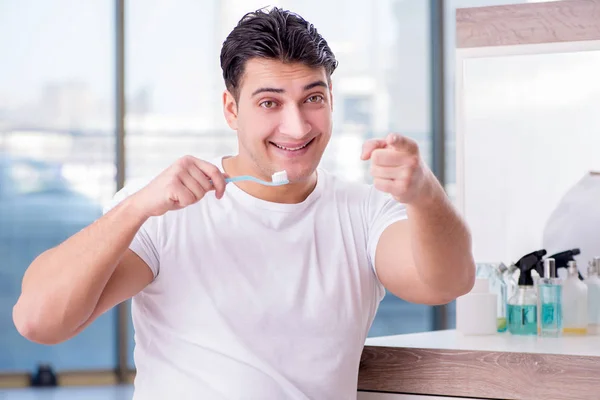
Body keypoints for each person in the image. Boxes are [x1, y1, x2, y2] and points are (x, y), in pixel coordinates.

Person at [13, 7, 475, 400]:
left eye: (312, 98)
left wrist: (425, 195)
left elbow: (444, 284)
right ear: (231, 109)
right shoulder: (165, 211)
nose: (296, 127)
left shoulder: (365, 212)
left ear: (331, 100)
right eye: (270, 103)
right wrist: (134, 208)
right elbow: (39, 321)